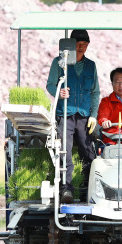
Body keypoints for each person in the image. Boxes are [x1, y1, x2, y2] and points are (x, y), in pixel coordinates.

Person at [46, 29, 100, 203]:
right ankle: (66, 190)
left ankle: (89, 188)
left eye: (85, 45)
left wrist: (93, 115)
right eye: (78, 44)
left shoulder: (91, 66)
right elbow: (50, 85)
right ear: (70, 45)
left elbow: (95, 92)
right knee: (64, 152)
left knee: (88, 152)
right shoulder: (59, 63)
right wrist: (59, 92)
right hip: (65, 115)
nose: (81, 48)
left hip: (84, 116)